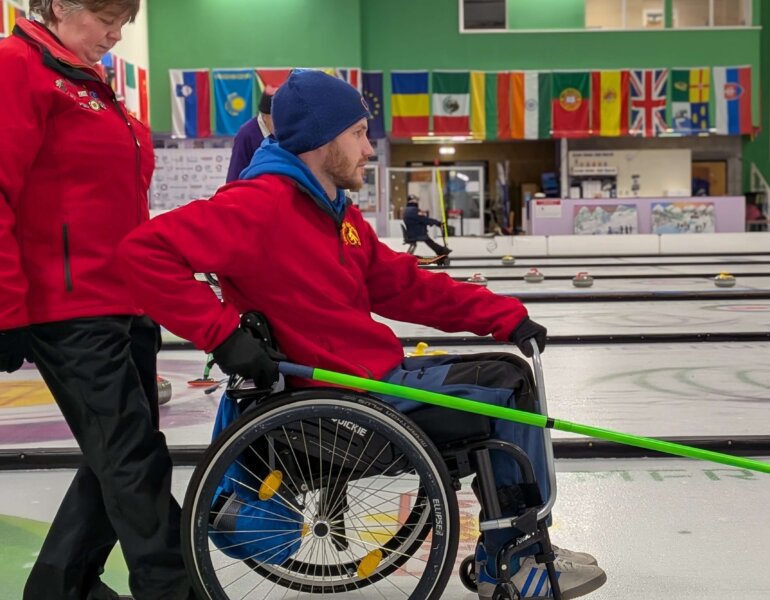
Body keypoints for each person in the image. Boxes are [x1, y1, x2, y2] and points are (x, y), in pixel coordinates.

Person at [117, 69, 607, 600]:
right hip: (337, 397)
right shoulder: (259, 206)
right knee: (506, 393)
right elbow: (142, 253)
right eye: (357, 134)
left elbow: (404, 285)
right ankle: (511, 561)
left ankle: (511, 551)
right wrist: (222, 334)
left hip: (368, 378)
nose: (369, 149)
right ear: (322, 140)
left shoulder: (337, 215)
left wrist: (502, 315)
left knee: (506, 371)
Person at [0, 2, 194, 598]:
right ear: (60, 5)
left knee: (114, 460)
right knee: (133, 461)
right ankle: (175, 589)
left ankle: (61, 586)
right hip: (70, 309)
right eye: (106, 17)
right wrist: (6, 308)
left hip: (124, 303)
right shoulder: (17, 67)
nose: (115, 34)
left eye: (123, 22)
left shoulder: (89, 82)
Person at [225, 86, 276, 183]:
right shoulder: (246, 134)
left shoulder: (287, 129)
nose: (281, 123)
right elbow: (235, 175)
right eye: (275, 118)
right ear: (264, 116)